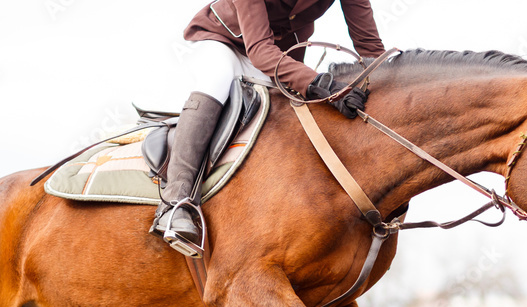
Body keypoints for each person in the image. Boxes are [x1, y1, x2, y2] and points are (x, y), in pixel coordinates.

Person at [150, 0, 387, 257]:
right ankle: (175, 203)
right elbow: (260, 51)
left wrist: (385, 84)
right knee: (217, 78)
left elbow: (369, 47)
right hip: (223, 42)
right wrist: (319, 83)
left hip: (279, 60)